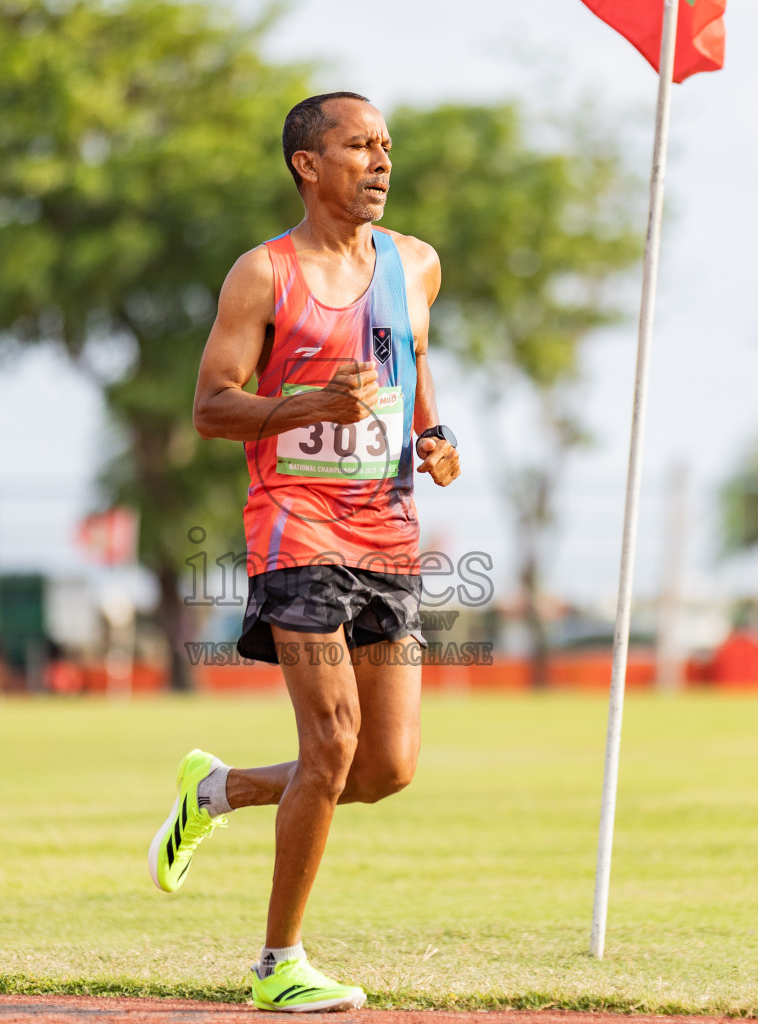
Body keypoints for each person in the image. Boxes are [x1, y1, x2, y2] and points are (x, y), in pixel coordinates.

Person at [152, 92, 461, 1012]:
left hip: (387, 529)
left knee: (383, 767)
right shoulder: (263, 275)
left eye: (386, 146)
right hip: (296, 525)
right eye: (358, 146)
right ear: (307, 164)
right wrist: (307, 406)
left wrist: (436, 432)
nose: (380, 161)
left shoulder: (416, 264)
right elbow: (211, 407)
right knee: (330, 743)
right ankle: (278, 964)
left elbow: (412, 358)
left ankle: (218, 791)